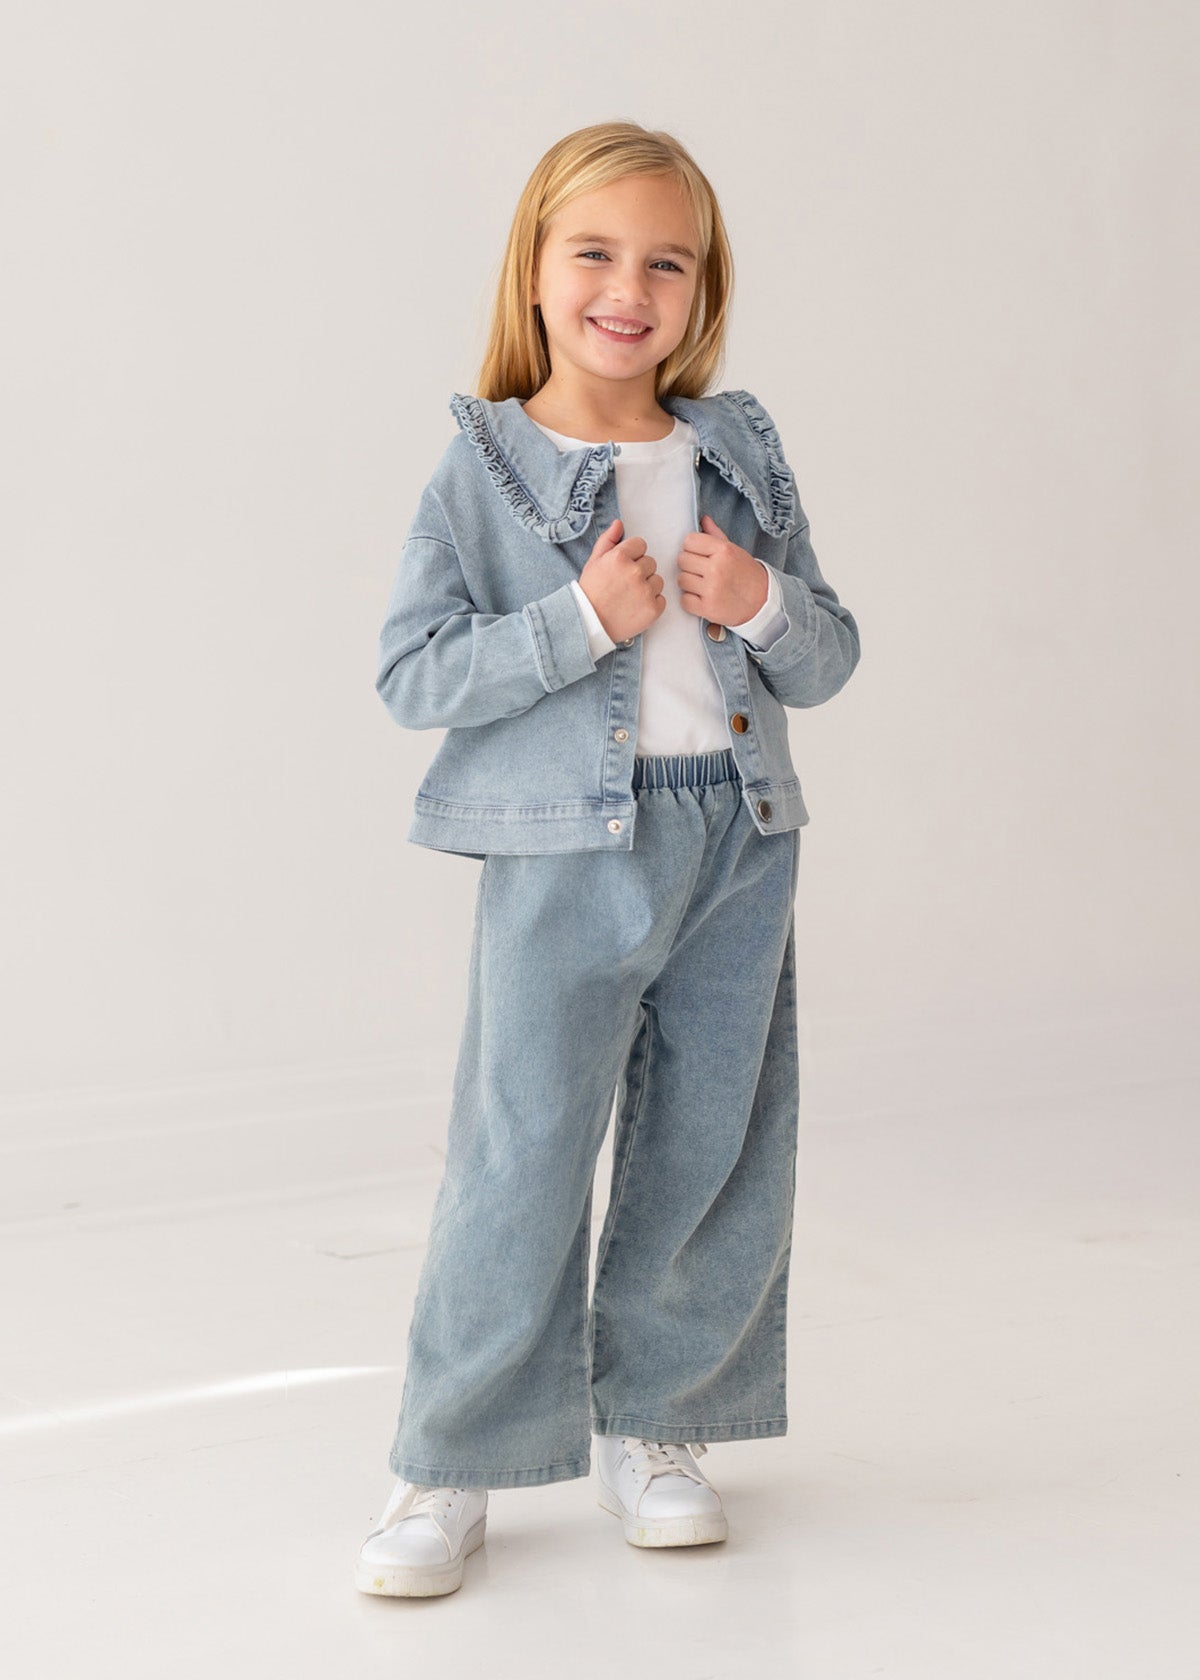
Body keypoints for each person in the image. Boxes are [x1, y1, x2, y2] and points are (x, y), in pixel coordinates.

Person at [356, 120, 861, 1599]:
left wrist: (759, 599)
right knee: (519, 1153)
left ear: (703, 293)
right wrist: (578, 622)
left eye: (667, 261)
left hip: (738, 836)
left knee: (712, 1142)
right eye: (593, 252)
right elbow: (411, 675)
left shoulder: (734, 452)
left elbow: (827, 655)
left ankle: (661, 1425)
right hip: (568, 850)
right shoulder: (486, 471)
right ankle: (450, 1459)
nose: (626, 288)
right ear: (532, 271)